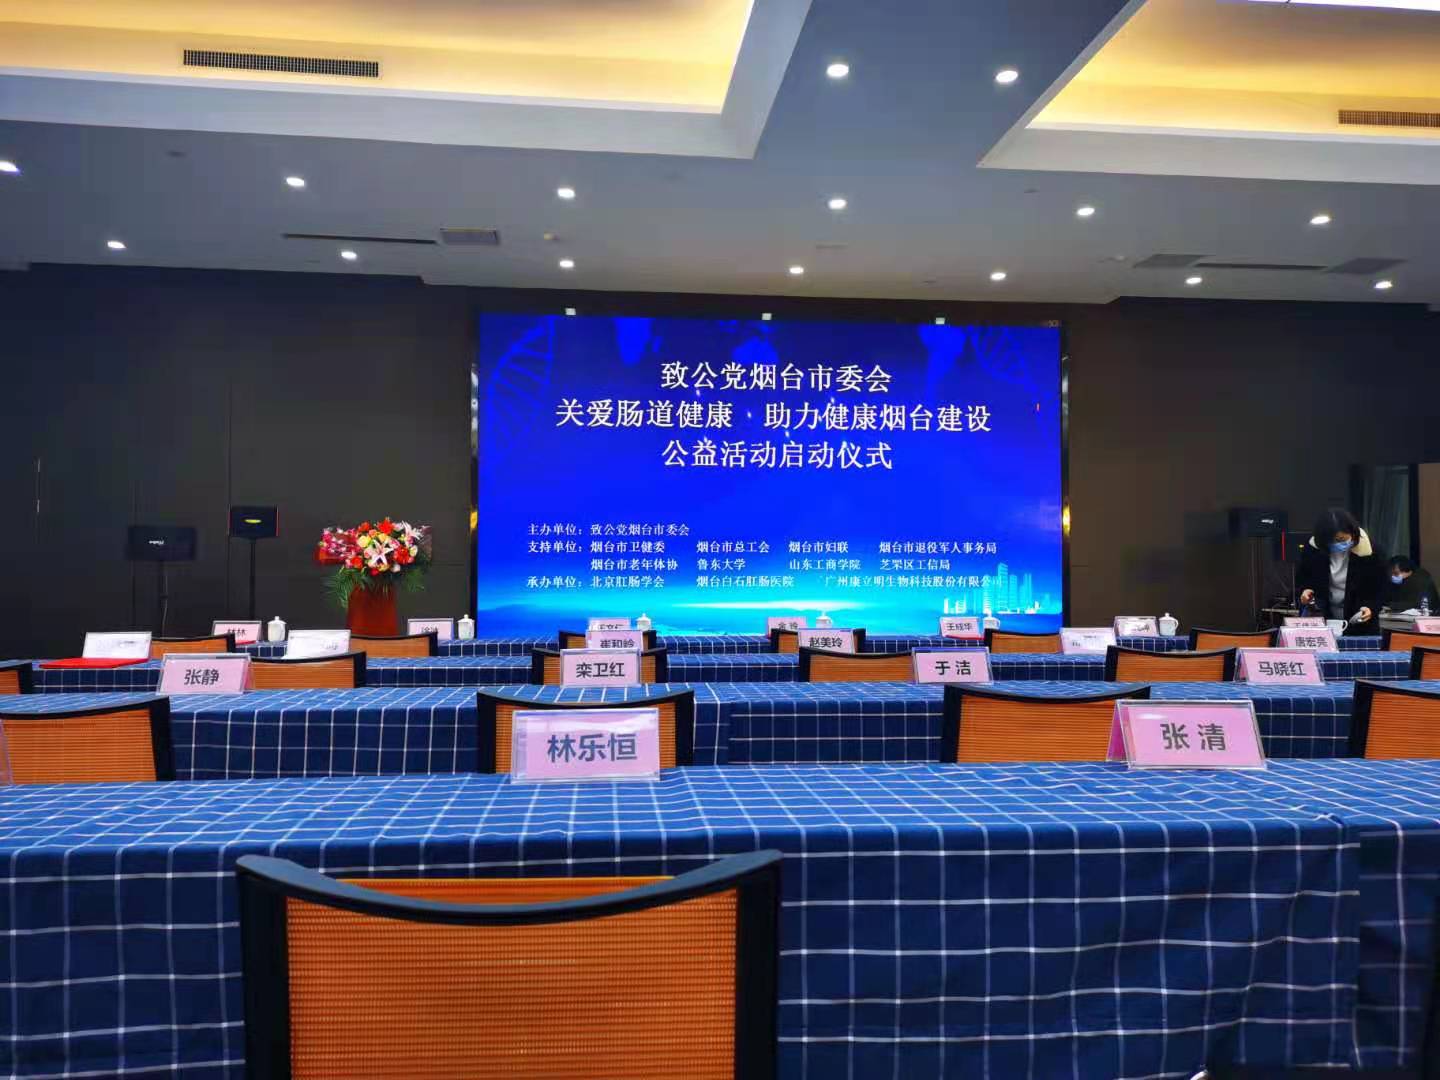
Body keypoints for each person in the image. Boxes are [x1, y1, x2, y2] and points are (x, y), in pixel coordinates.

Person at [1296, 507, 1386, 634]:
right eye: (1331, 541)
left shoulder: (1371, 551)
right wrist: (1305, 591)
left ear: (1352, 532)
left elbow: (1380, 587)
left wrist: (1371, 607)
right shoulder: (1313, 549)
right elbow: (1303, 577)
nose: (1336, 544)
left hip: (1359, 619)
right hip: (1323, 616)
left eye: (1341, 539)